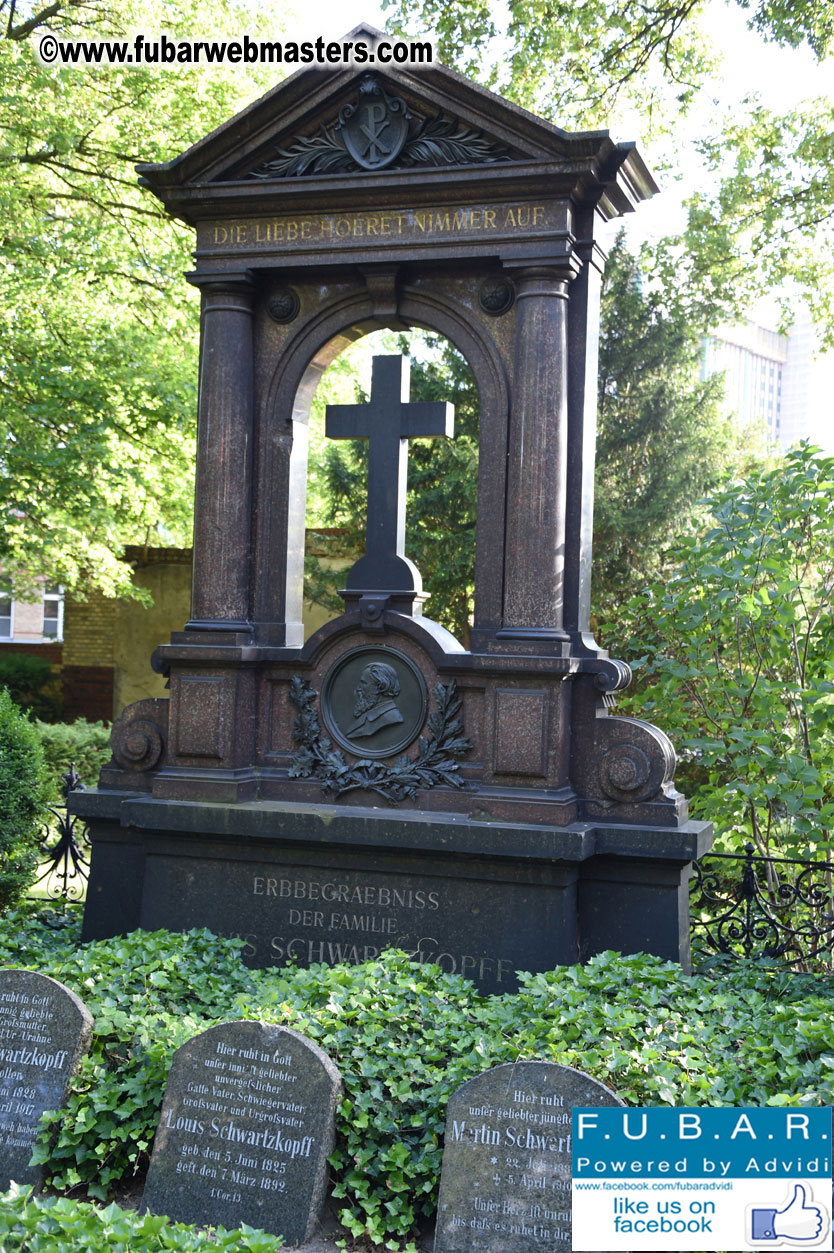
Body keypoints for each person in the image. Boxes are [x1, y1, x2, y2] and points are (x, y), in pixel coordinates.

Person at [346, 662, 404, 739]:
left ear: (380, 686)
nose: (359, 688)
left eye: (364, 683)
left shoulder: (391, 718)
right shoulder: (370, 712)